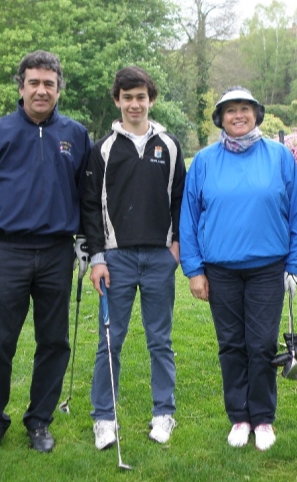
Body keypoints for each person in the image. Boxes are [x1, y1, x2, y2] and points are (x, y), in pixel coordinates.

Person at [0, 50, 93, 459]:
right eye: (33, 82)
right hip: (5, 254)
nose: (41, 90)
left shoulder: (76, 135)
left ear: (58, 89)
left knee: (53, 343)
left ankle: (39, 421)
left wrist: (86, 245)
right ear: (21, 87)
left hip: (56, 254)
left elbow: (87, 198)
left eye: (49, 84)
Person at [179, 87, 297, 451]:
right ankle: (239, 417)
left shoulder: (280, 156)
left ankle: (263, 418)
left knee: (262, 343)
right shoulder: (204, 161)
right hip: (220, 270)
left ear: (256, 114)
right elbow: (188, 219)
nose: (239, 115)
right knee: (232, 345)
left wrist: (296, 263)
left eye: (245, 109)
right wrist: (194, 270)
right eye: (231, 110)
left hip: (268, 268)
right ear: (220, 118)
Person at [81, 66, 186, 450]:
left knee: (160, 340)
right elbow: (90, 206)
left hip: (160, 258)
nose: (134, 104)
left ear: (150, 99)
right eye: (127, 97)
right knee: (110, 341)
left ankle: (164, 413)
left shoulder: (169, 145)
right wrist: (97, 257)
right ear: (117, 101)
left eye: (141, 96)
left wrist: (176, 247)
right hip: (116, 259)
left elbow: (181, 201)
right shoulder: (103, 148)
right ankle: (104, 419)